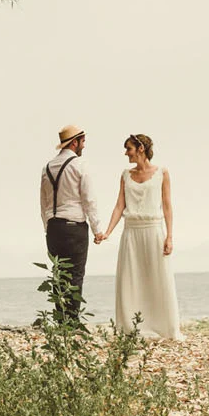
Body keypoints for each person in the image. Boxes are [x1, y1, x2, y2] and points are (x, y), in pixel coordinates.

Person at [97, 133, 181, 340]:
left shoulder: (162, 172)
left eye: (129, 149)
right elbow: (119, 205)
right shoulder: (126, 174)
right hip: (131, 231)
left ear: (141, 149)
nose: (126, 153)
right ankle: (132, 327)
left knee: (157, 277)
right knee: (131, 277)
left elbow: (168, 206)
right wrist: (107, 231)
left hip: (153, 229)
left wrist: (169, 236)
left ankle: (164, 326)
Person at [40, 124, 103, 327]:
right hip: (74, 226)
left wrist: (47, 227)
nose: (84, 145)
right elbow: (89, 200)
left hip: (53, 227)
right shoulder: (80, 165)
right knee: (75, 274)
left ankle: (61, 320)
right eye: (82, 141)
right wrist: (97, 229)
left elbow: (43, 202)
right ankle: (72, 322)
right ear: (75, 142)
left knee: (59, 274)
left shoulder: (47, 167)